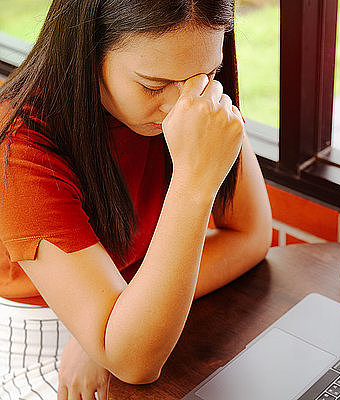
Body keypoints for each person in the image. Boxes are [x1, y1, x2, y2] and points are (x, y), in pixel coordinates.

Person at [0, 0, 272, 399]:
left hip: (143, 304)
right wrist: (194, 182)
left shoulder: (190, 91)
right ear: (87, 50)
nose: (180, 107)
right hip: (40, 331)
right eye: (152, 86)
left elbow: (251, 235)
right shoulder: (18, 146)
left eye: (206, 76)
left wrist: (121, 316)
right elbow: (133, 361)